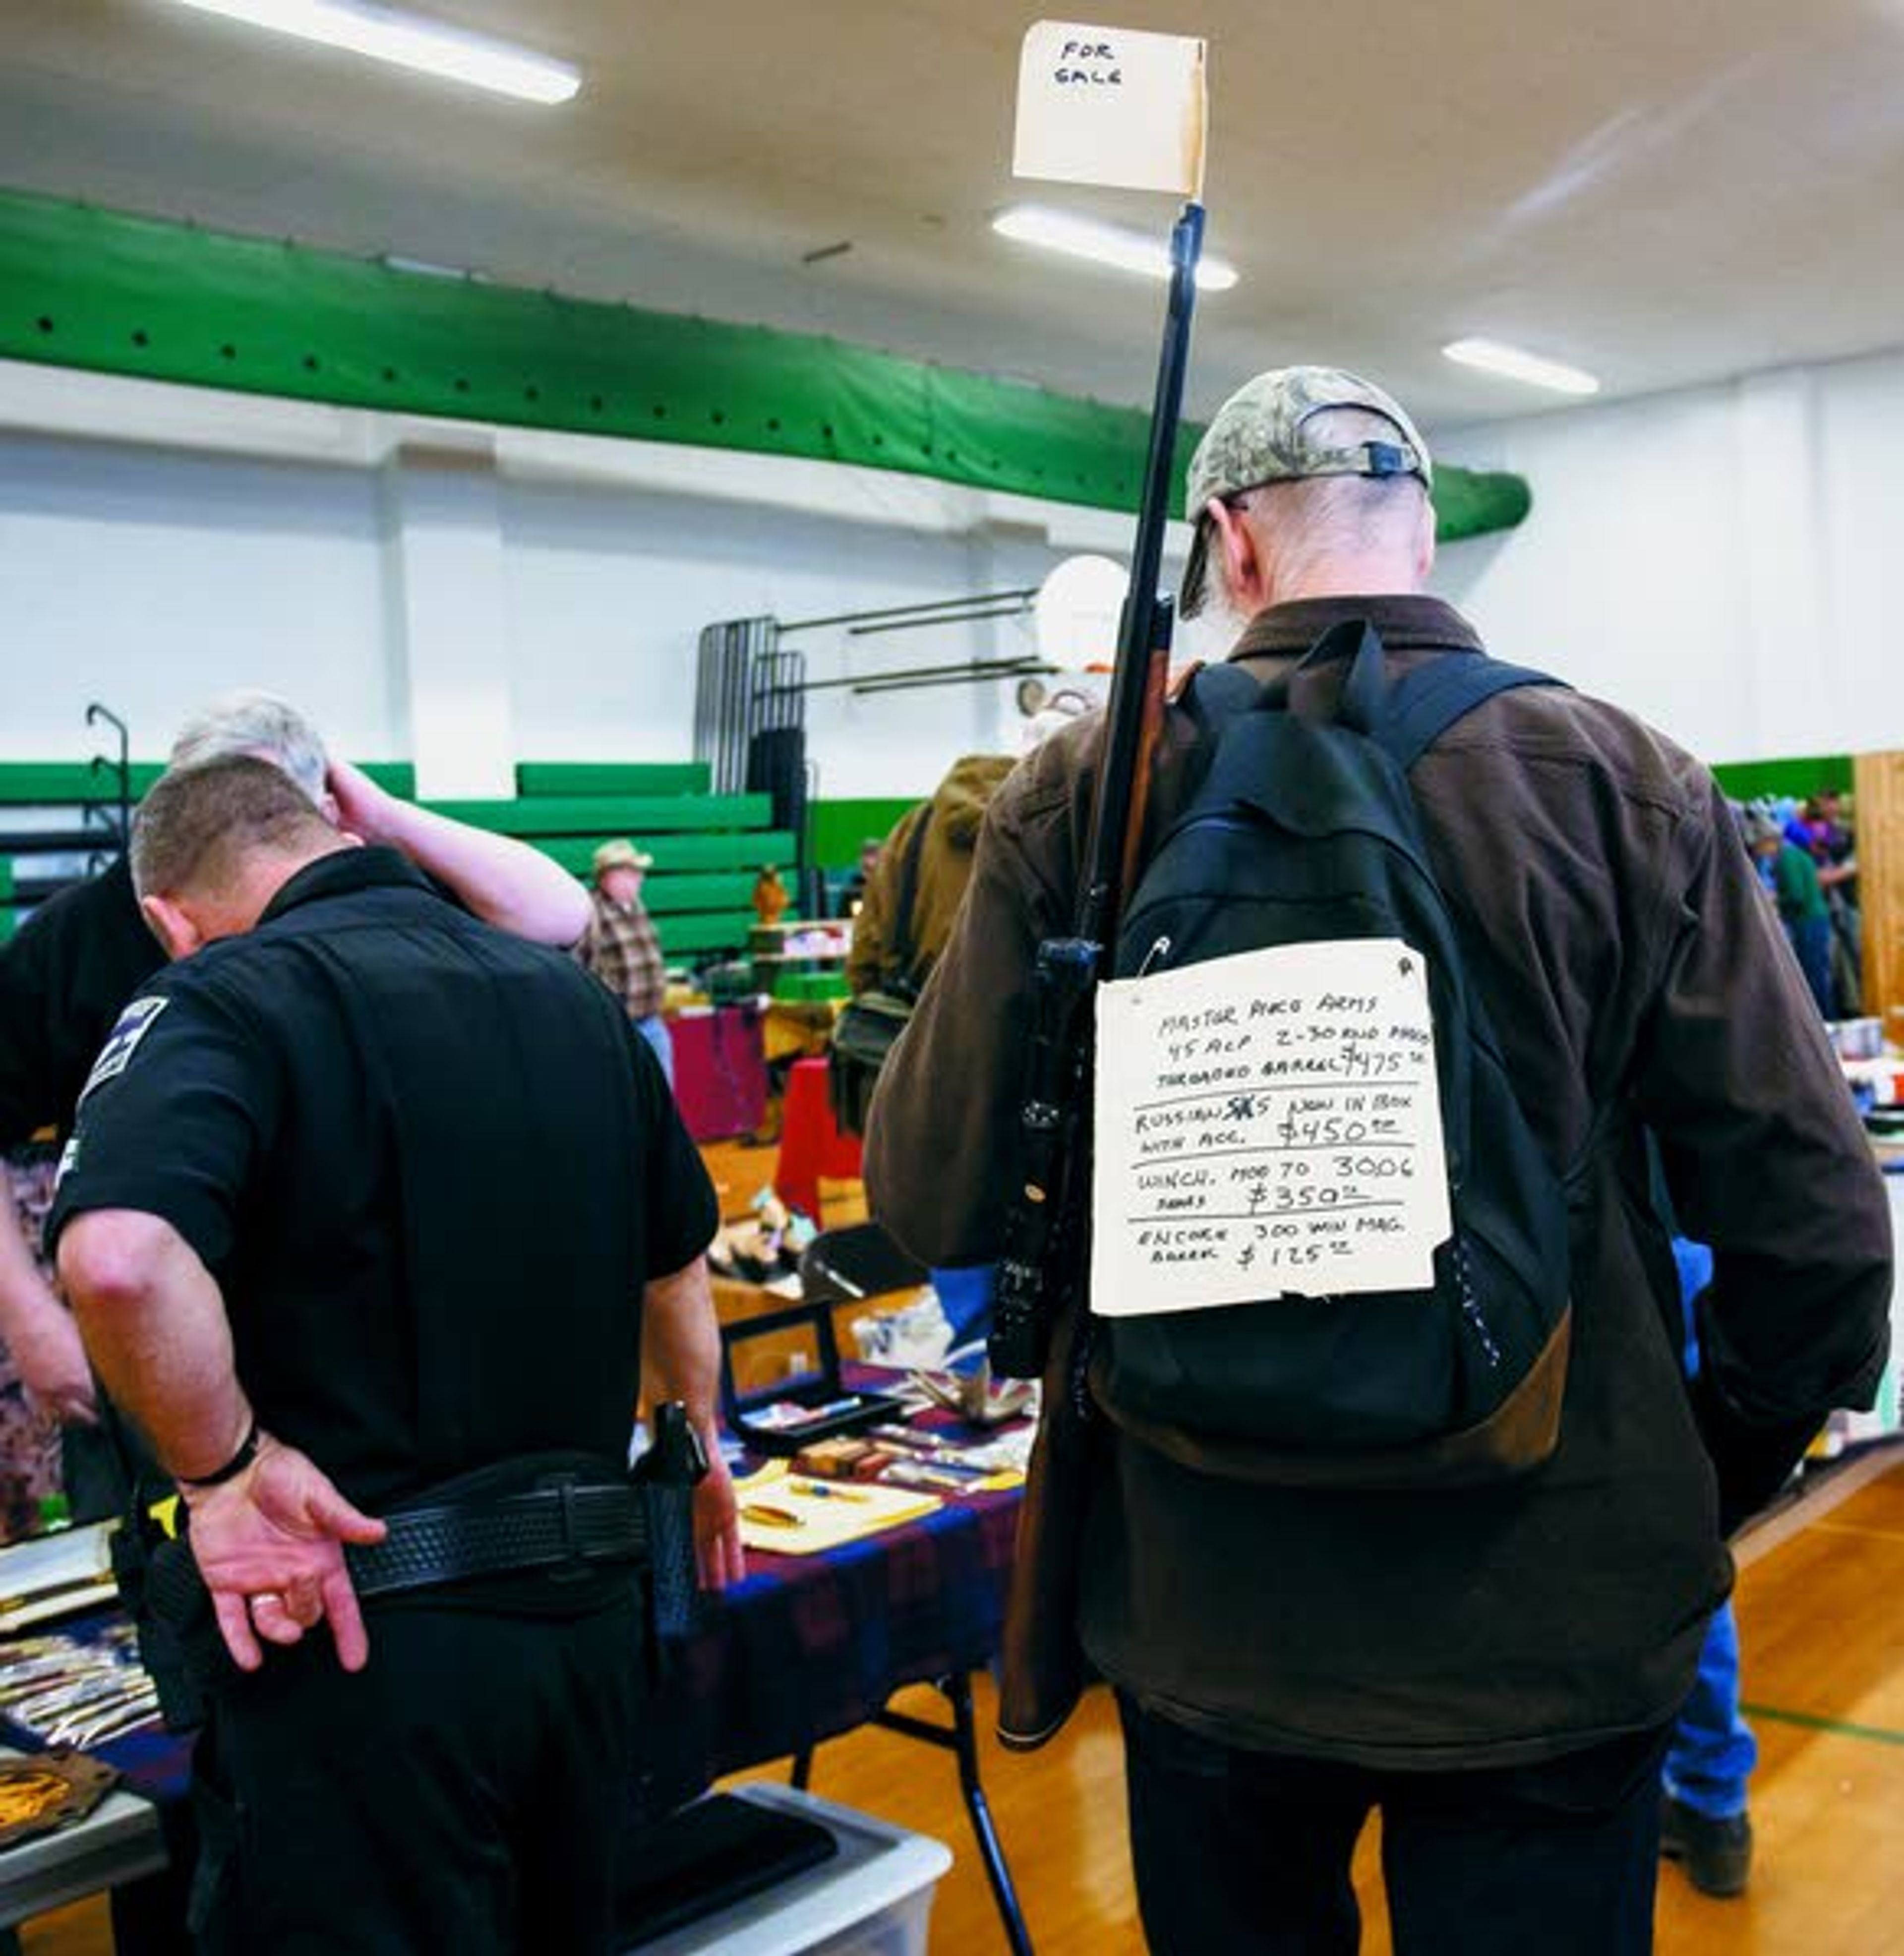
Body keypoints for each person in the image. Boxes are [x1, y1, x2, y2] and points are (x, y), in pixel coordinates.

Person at [866, 365, 1892, 1955]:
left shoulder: (1084, 796)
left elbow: (928, 1192)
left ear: (1230, 546)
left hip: (1205, 1610)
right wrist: (1702, 1456)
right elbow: (1816, 1228)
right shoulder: (1616, 778)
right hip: (1547, 1604)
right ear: (1418, 537)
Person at [51, 756, 741, 1955]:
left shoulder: (220, 995)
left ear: (169, 917)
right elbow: (677, 1264)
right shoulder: (568, 996)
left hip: (360, 1641)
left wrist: (221, 1478)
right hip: (585, 1628)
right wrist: (696, 1444)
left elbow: (118, 1256)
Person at [0, 693, 592, 1527]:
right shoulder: (89, 932)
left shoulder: (376, 900)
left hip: (363, 1371)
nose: (244, 835)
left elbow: (559, 915)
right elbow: (117, 1258)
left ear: (324, 814)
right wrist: (29, 1316)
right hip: (168, 1382)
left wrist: (383, 815)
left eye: (276, 812)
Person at [847, 753, 1016, 1351]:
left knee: (955, 1216)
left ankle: (975, 1368)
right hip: (1026, 1059)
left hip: (926, 1058)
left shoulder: (913, 831)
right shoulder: (1057, 818)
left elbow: (864, 954)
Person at [580, 838, 673, 1086]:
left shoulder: (635, 905)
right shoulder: (591, 912)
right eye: (633, 872)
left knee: (663, 1098)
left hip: (652, 1019)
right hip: (619, 1029)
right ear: (609, 875)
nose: (640, 878)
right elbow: (581, 970)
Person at [1744, 808, 1834, 1016]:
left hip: (1808, 922)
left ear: (1768, 841)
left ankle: (1826, 1023)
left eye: (1758, 846)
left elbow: (1797, 896)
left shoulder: (1786, 859)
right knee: (1819, 974)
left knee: (1814, 977)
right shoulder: (1793, 853)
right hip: (1815, 920)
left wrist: (1774, 900)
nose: (1758, 851)